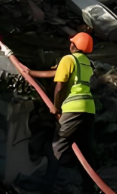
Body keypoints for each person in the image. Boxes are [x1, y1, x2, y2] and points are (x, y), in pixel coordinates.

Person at [24, 32, 97, 193]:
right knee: (84, 151)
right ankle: (89, 188)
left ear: (73, 46)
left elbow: (59, 85)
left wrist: (56, 106)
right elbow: (56, 74)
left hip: (73, 109)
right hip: (89, 109)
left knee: (56, 148)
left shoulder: (68, 59)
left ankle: (46, 187)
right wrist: (30, 72)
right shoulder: (87, 63)